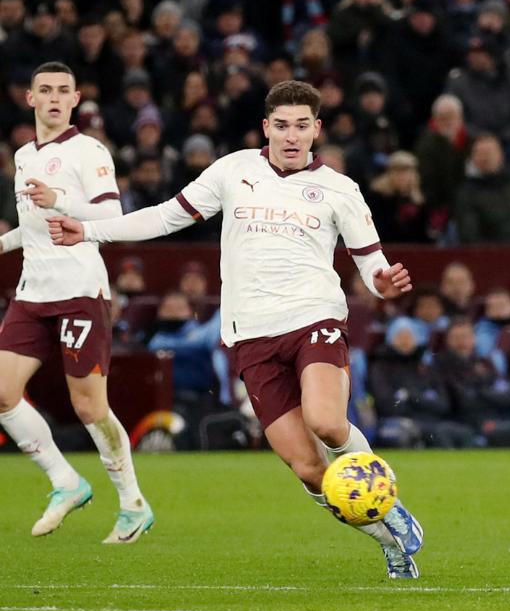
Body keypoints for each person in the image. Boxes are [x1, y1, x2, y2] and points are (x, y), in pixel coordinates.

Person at [50, 80, 425, 579]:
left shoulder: (340, 188)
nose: (292, 136)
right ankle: (387, 540)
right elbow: (166, 218)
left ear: (318, 129)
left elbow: (371, 266)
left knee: (328, 423)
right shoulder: (233, 171)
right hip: (251, 334)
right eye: (282, 126)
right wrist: (89, 228)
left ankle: (387, 501)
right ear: (266, 128)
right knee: (308, 468)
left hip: (314, 317)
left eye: (302, 126)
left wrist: (382, 284)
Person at [0, 61, 153, 543]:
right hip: (33, 291)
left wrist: (60, 198)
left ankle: (132, 503)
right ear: (29, 98)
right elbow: (31, 225)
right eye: (43, 90)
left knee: (89, 407)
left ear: (74, 99)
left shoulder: (89, 151)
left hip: (80, 291)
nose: (52, 97)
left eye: (62, 91)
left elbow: (111, 213)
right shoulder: (23, 155)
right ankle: (66, 481)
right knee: (2, 394)